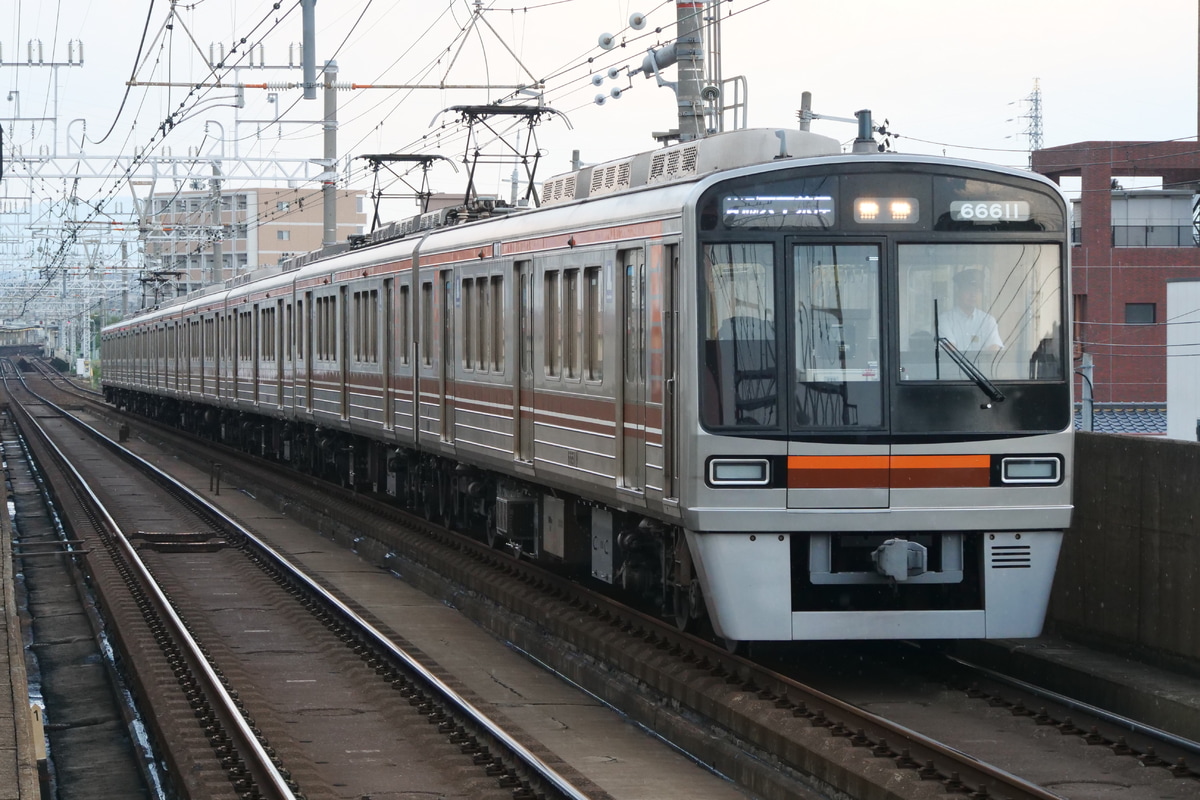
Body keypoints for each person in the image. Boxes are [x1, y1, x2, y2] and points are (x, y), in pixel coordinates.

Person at [937, 269, 1004, 352]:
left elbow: (994, 350)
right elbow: (951, 353)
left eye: (977, 291)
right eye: (968, 290)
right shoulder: (944, 320)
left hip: (983, 365)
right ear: (958, 292)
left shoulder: (988, 320)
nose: (973, 295)